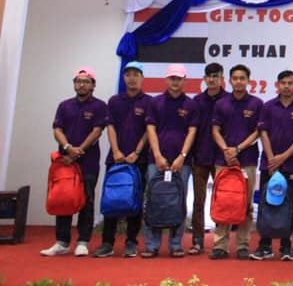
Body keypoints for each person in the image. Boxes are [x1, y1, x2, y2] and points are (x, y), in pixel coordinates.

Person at [41, 67, 108, 257]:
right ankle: (62, 242)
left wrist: (78, 151)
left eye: (86, 81)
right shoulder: (64, 106)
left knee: (86, 200)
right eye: (78, 81)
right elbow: (57, 129)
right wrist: (68, 147)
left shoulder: (99, 106)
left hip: (88, 162)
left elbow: (97, 131)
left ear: (93, 85)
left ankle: (83, 241)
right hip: (65, 162)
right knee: (63, 199)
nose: (82, 84)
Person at [92, 61, 151, 258]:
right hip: (115, 160)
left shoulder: (148, 102)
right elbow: (110, 127)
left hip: (138, 160)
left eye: (136, 74)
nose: (132, 78)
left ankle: (131, 242)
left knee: (135, 200)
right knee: (111, 199)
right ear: (124, 77)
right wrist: (116, 151)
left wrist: (136, 152)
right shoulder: (115, 101)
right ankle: (107, 243)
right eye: (128, 74)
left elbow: (148, 130)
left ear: (142, 78)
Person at [251, 70, 293, 261]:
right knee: (266, 204)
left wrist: (283, 157)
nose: (286, 86)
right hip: (269, 165)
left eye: (290, 83)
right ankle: (265, 246)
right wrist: (272, 159)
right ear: (277, 85)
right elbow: (263, 132)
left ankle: (286, 247)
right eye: (283, 83)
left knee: (288, 205)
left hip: (292, 165)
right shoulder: (268, 106)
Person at [143, 64, 199, 258]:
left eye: (179, 79)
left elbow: (192, 132)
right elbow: (151, 129)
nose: (175, 82)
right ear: (167, 80)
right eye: (172, 78)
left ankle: (176, 244)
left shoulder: (191, 104)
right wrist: (158, 155)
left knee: (178, 202)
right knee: (154, 201)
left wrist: (182, 156)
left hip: (181, 163)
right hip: (156, 161)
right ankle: (152, 245)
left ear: (184, 81)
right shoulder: (155, 102)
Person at [209, 64, 263, 260]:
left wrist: (238, 149)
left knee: (246, 204)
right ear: (229, 81)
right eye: (235, 78)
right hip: (223, 160)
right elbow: (215, 130)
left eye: (242, 78)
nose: (239, 81)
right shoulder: (221, 103)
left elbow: (258, 132)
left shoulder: (256, 104)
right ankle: (220, 245)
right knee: (223, 202)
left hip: (247, 160)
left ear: (248, 81)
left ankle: (242, 245)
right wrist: (226, 150)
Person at [188, 62, 227, 256]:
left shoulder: (228, 100)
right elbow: (191, 131)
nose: (212, 80)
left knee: (222, 201)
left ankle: (220, 243)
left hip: (222, 158)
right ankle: (197, 241)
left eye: (216, 76)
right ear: (204, 79)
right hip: (200, 157)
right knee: (198, 201)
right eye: (209, 76)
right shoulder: (196, 102)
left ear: (222, 79)